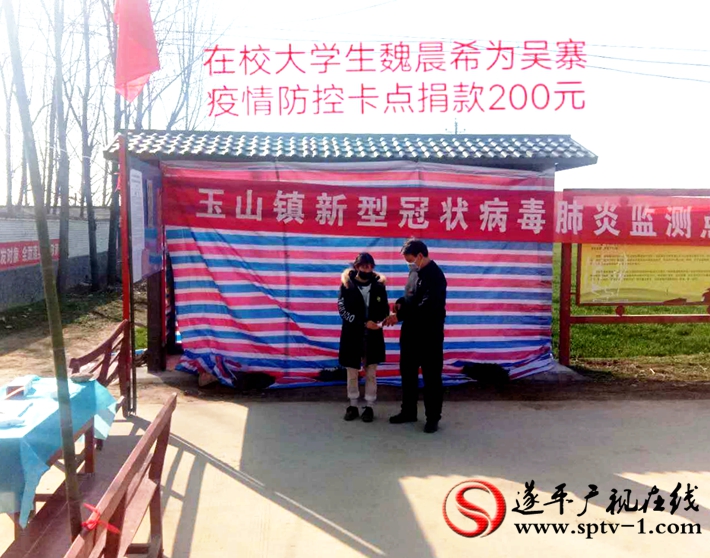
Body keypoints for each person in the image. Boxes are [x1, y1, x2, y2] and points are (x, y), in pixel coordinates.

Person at [385, 239, 447, 433]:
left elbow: (426, 307)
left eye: (410, 259)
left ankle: (433, 418)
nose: (408, 264)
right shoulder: (414, 272)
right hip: (410, 334)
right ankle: (408, 411)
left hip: (429, 335)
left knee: (431, 378)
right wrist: (400, 303)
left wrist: (399, 316)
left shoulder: (436, 277)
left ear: (420, 256)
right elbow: (411, 296)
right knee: (408, 374)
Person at [337, 253, 390, 422]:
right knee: (352, 372)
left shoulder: (379, 286)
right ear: (357, 267)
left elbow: (384, 310)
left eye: (370, 266)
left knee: (371, 372)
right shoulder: (347, 285)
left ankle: (369, 406)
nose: (368, 269)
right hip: (352, 335)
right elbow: (343, 311)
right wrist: (363, 323)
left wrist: (378, 322)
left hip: (373, 336)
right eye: (364, 266)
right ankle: (352, 405)